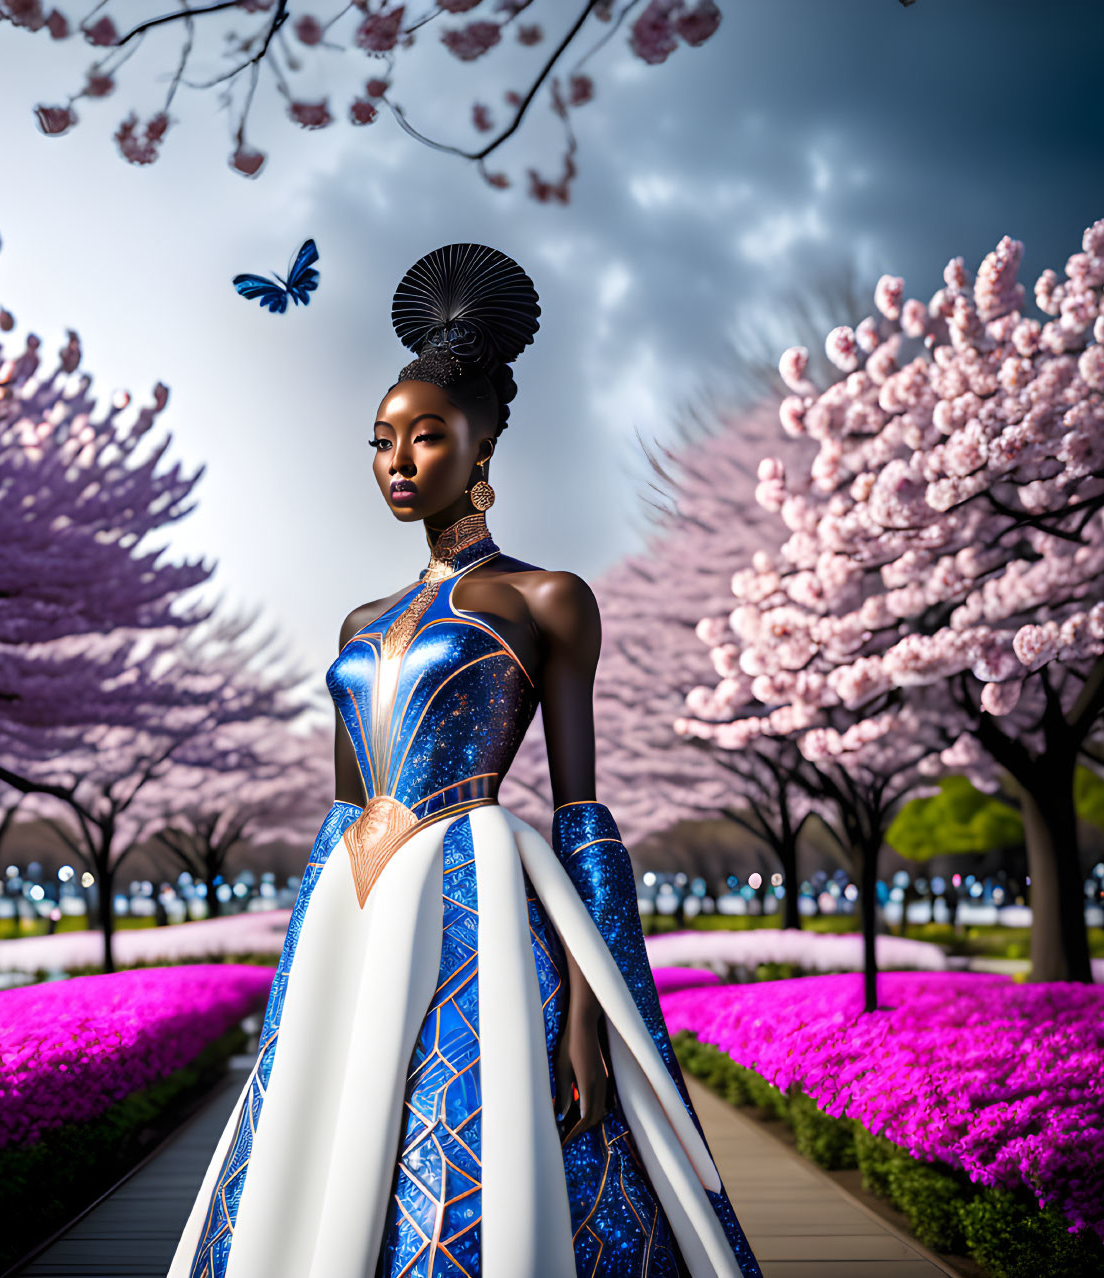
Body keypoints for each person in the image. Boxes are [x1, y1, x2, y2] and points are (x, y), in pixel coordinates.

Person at [170, 244, 762, 1278]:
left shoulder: (545, 600)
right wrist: (293, 982)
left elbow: (581, 814)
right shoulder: (358, 619)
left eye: (426, 438)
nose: (397, 463)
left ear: (482, 446)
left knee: (468, 1143)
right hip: (346, 920)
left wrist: (588, 1008)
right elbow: (338, 807)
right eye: (381, 442)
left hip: (471, 907)